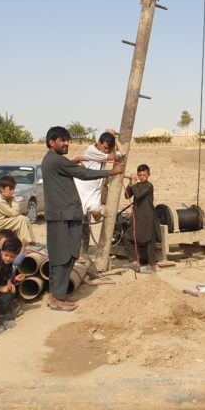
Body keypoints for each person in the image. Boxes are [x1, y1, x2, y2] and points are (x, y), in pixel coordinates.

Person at [42, 126, 124, 312]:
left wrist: (72, 162)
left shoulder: (53, 161)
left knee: (64, 256)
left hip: (65, 215)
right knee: (64, 257)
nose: (66, 143)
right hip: (63, 217)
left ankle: (56, 295)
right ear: (51, 142)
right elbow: (84, 173)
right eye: (62, 140)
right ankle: (57, 298)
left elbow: (69, 170)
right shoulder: (56, 160)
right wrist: (112, 172)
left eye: (67, 140)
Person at [75, 129, 123, 263]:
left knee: (93, 217)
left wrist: (116, 139)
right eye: (105, 148)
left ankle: (83, 253)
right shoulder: (91, 150)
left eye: (109, 149)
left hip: (94, 193)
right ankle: (80, 253)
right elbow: (113, 157)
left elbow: (123, 152)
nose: (106, 151)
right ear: (99, 143)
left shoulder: (104, 153)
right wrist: (113, 139)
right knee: (80, 225)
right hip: (82, 191)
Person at [0, 175, 37, 247]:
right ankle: (26, 244)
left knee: (25, 219)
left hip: (2, 223)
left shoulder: (7, 199)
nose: (12, 192)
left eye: (13, 189)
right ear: (2, 189)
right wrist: (13, 199)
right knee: (21, 219)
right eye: (10, 189)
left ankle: (32, 242)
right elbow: (14, 213)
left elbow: (16, 213)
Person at [122, 164, 157, 274]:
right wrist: (130, 183)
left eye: (144, 175)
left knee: (149, 240)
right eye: (140, 175)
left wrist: (133, 184)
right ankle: (134, 262)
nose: (142, 177)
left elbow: (138, 195)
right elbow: (127, 195)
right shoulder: (136, 185)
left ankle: (152, 266)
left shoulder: (149, 186)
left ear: (148, 175)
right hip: (137, 217)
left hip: (147, 217)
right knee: (127, 237)